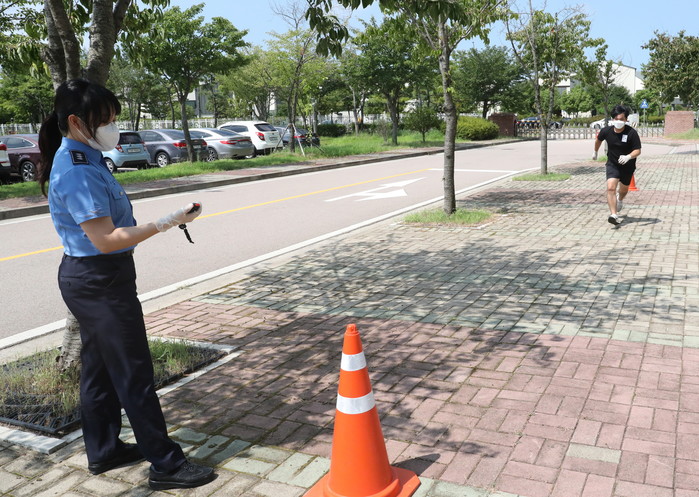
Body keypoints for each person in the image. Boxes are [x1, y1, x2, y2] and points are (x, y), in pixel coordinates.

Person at [38, 79, 215, 491]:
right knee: (133, 372)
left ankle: (104, 450)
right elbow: (105, 239)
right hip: (99, 281)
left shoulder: (87, 157)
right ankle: (166, 465)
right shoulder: (77, 169)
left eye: (113, 118)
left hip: (97, 278)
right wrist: (166, 222)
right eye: (105, 120)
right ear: (76, 122)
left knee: (99, 370)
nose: (112, 127)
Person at [593, 104, 642, 226]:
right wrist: (595, 152)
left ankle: (620, 199)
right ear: (612, 119)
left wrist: (628, 157)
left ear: (626, 120)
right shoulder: (606, 131)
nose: (618, 121)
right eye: (616, 119)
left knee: (624, 190)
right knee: (611, 187)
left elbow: (638, 150)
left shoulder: (631, 133)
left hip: (627, 166)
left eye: (621, 119)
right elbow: (598, 140)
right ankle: (613, 215)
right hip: (612, 164)